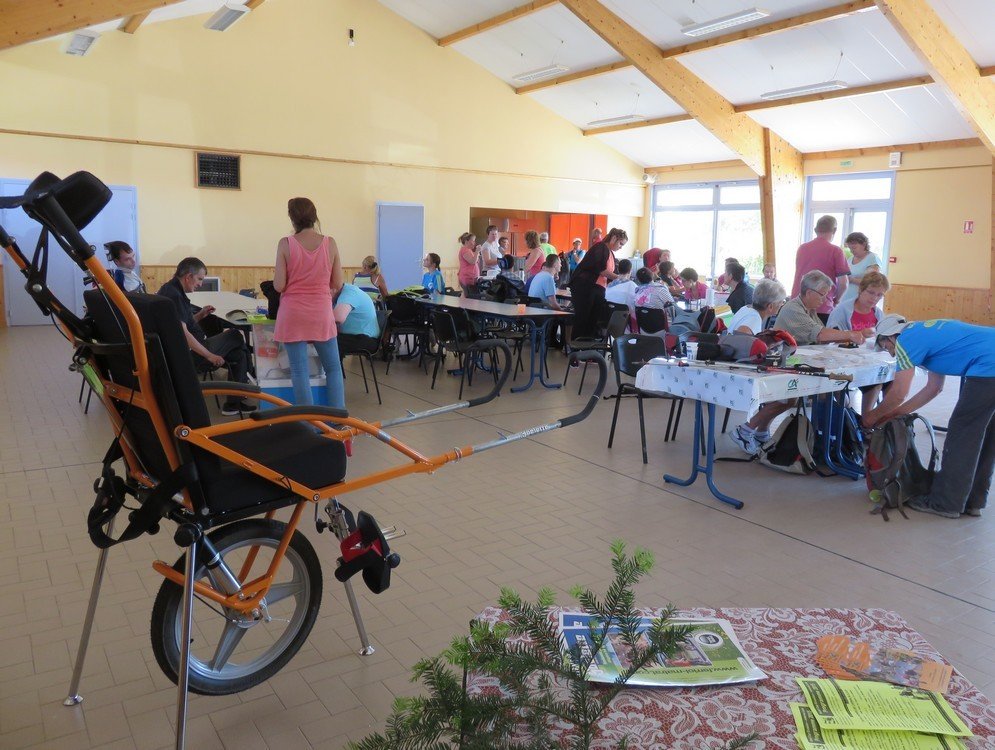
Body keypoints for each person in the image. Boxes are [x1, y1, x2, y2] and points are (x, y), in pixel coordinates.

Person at [866, 316, 995, 519]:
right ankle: (973, 501)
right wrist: (894, 414)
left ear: (890, 337)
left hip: (988, 367)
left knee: (963, 433)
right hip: (989, 360)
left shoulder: (906, 340)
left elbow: (899, 392)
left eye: (886, 347)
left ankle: (946, 503)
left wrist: (873, 416)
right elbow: (934, 388)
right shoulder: (924, 334)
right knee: (986, 433)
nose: (890, 353)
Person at [731, 271, 870, 454]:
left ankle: (762, 432)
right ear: (809, 292)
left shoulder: (808, 310)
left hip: (789, 362)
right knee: (791, 398)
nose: (825, 299)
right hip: (779, 364)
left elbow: (821, 334)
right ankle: (745, 430)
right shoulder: (792, 309)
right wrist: (850, 335)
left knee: (818, 392)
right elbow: (819, 334)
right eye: (822, 295)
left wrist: (846, 337)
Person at [158, 257, 256, 416]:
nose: (200, 284)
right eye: (199, 279)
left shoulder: (170, 289)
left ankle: (233, 404)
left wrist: (201, 314)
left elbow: (183, 324)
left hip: (190, 350)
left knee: (239, 354)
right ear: (188, 276)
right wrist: (209, 355)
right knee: (234, 335)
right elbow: (182, 333)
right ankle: (252, 375)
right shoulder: (174, 295)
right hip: (188, 355)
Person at [272, 197, 345, 411]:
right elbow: (338, 283)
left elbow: (279, 285)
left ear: (291, 218)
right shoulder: (330, 243)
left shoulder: (285, 243)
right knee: (333, 368)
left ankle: (308, 423)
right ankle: (338, 419)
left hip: (293, 313)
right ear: (315, 216)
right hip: (321, 312)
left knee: (299, 370)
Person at [791, 215, 850, 323]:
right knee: (820, 334)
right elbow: (843, 283)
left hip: (797, 303)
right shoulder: (836, 251)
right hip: (821, 306)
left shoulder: (802, 248)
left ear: (815, 230)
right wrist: (836, 300)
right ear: (834, 230)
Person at [569, 227, 625, 338]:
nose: (621, 247)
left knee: (592, 320)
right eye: (621, 243)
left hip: (597, 289)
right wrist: (620, 278)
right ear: (614, 238)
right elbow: (600, 269)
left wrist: (618, 278)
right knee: (583, 319)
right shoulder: (601, 247)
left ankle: (587, 344)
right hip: (586, 287)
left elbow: (610, 274)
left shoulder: (610, 253)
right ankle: (576, 345)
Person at [334, 282, 380, 352]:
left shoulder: (350, 293)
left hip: (365, 339)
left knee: (324, 340)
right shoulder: (343, 293)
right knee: (325, 339)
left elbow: (338, 318)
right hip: (355, 337)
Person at [839, 232, 883, 305]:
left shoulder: (872, 258)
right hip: (846, 299)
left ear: (864, 245)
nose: (851, 251)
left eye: (854, 248)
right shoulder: (850, 259)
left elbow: (873, 282)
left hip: (861, 301)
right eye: (850, 248)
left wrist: (852, 280)